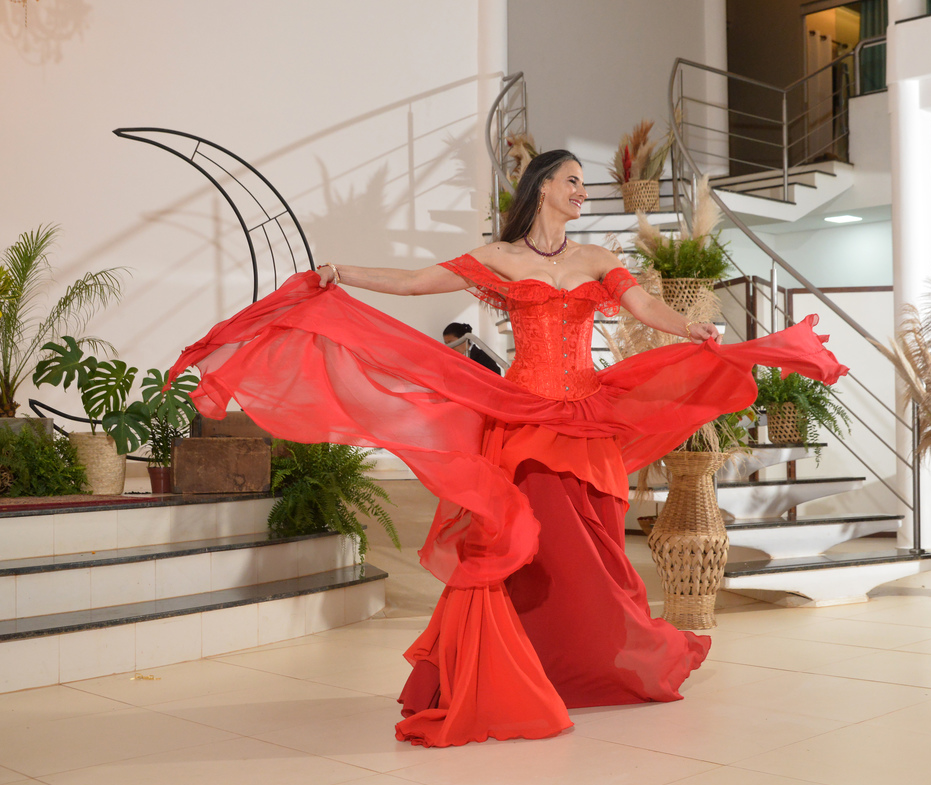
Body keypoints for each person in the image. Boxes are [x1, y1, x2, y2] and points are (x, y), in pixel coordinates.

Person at [169, 149, 848, 748]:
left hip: (584, 414)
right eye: (572, 180)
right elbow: (414, 282)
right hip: (522, 414)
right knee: (523, 541)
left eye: (583, 183)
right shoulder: (500, 258)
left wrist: (689, 329)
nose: (581, 191)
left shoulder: (598, 260)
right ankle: (509, 668)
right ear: (542, 186)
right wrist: (341, 271)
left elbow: (644, 308)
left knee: (594, 549)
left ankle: (587, 662)